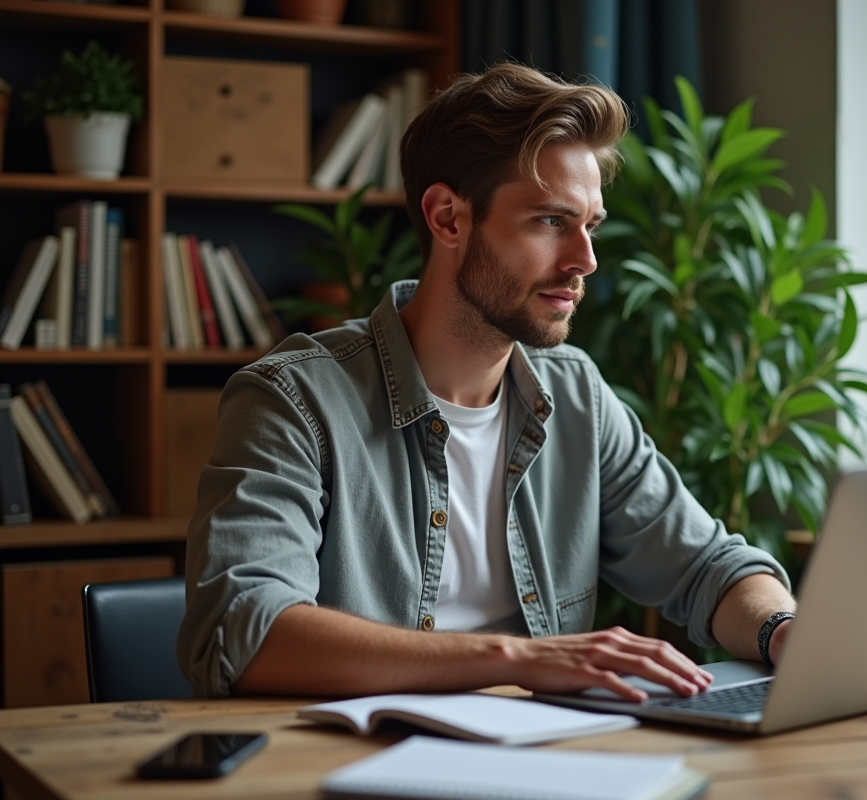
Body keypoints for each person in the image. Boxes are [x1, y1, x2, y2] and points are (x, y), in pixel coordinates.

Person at [177, 62, 796, 702]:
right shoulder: (293, 401)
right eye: (550, 221)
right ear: (448, 218)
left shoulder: (577, 397)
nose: (585, 260)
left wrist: (782, 630)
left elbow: (709, 567)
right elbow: (243, 630)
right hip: (356, 754)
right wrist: (515, 659)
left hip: (545, 751)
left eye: (590, 225)